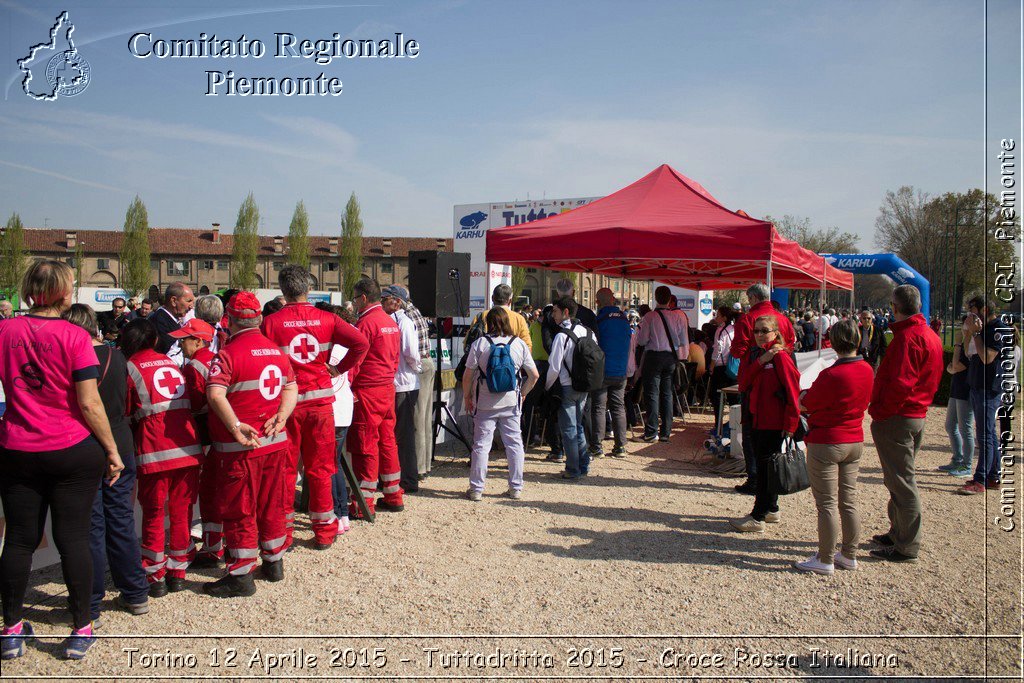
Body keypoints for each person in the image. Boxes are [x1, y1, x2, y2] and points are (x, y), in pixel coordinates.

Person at [0, 260, 123, 661]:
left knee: (19, 539)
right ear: (64, 292)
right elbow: (89, 402)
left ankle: (12, 629)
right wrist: (111, 449)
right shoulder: (75, 336)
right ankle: (81, 627)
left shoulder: (4, 330)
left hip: (17, 445)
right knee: (74, 539)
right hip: (70, 447)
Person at [260, 265, 368, 549]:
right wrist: (336, 368)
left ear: (282, 290)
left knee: (285, 471)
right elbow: (361, 343)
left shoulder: (271, 322)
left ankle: (282, 534)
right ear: (308, 288)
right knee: (321, 468)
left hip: (286, 405)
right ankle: (324, 531)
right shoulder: (326, 318)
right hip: (320, 403)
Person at [204, 292, 297, 597]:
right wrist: (282, 416)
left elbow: (215, 394)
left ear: (228, 320)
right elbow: (292, 386)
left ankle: (241, 574)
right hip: (274, 442)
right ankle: (274, 561)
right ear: (258, 318)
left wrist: (233, 426)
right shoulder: (276, 351)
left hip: (240, 449)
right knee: (273, 504)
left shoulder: (227, 354)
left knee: (240, 509)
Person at [61, 305, 149, 623]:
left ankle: (91, 603)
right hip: (121, 441)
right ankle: (136, 593)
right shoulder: (119, 358)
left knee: (91, 528)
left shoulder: (69, 360)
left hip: (86, 446)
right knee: (121, 521)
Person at [122, 319, 203, 596]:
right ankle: (178, 572)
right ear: (154, 340)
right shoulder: (171, 364)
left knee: (154, 513)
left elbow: (127, 409)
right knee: (183, 513)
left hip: (154, 449)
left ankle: (154, 575)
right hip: (186, 447)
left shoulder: (130, 367)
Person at [867, 284, 943, 562]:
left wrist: (879, 411)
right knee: (897, 478)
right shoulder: (928, 335)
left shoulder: (908, 338)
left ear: (895, 307)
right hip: (915, 414)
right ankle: (898, 531)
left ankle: (907, 545)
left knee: (902, 481)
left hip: (899, 417)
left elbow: (899, 383)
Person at [793, 319, 875, 575]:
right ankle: (849, 553)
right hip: (854, 439)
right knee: (848, 501)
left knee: (826, 504)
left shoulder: (831, 374)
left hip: (827, 440)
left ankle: (825, 557)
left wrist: (805, 396)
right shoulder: (867, 369)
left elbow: (809, 402)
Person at [729, 314, 800, 533]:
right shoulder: (758, 355)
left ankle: (758, 515)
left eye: (764, 330)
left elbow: (792, 390)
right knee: (767, 466)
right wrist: (762, 360)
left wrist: (791, 422)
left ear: (776, 332)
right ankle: (770, 508)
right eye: (756, 331)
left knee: (765, 467)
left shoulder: (781, 357)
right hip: (758, 418)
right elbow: (744, 382)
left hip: (772, 421)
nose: (760, 335)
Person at [463, 306, 539, 500]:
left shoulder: (480, 343)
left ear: (489, 323)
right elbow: (534, 375)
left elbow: (468, 375)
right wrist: (523, 394)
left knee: (481, 445)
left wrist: (467, 396)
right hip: (511, 401)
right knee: (514, 444)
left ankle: (477, 489)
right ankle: (515, 488)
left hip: (485, 401)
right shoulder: (518, 344)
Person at [729, 283, 796, 495]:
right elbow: (792, 342)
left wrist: (756, 356)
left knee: (751, 431)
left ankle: (756, 479)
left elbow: (738, 350)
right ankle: (768, 485)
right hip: (777, 379)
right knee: (770, 436)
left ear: (754, 298)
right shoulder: (783, 318)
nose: (760, 334)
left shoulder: (747, 319)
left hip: (756, 378)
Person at [347, 277, 404, 517]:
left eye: (354, 297)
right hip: (386, 388)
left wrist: (346, 385)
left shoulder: (366, 323)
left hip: (368, 390)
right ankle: (393, 493)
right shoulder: (390, 321)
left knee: (365, 444)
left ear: (362, 298)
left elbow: (355, 361)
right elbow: (395, 357)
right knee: (387, 440)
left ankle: (363, 502)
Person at [174, 319, 222, 565]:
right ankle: (217, 541)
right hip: (221, 431)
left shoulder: (194, 365)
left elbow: (194, 402)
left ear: (199, 340)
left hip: (205, 433)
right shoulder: (218, 357)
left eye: (185, 338)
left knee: (208, 490)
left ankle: (213, 546)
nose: (181, 343)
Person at [958, 296, 1010, 495]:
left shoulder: (998, 328)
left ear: (985, 309)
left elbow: (987, 357)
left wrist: (977, 333)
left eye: (973, 310)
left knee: (985, 435)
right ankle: (993, 475)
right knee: (989, 434)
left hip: (989, 389)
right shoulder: (984, 329)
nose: (971, 315)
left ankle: (980, 479)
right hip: (977, 386)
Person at [545, 296, 593, 480]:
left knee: (569, 430)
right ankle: (583, 464)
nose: (553, 315)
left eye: (555, 311)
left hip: (566, 387)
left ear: (565, 312)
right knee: (578, 426)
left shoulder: (561, 336)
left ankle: (573, 469)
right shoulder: (589, 333)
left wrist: (548, 387)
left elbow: (554, 368)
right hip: (584, 387)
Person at [635, 285, 689, 443]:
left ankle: (651, 431)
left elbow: (642, 340)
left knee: (652, 393)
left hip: (654, 356)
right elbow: (683, 341)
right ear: (670, 298)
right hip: (671, 357)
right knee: (667, 394)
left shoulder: (650, 317)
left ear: (656, 298)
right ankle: (666, 431)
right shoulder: (678, 317)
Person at [382, 285, 423, 494]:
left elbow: (411, 353)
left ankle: (408, 479)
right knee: (392, 434)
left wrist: (416, 369)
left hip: (404, 384)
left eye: (386, 298)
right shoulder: (389, 320)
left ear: (397, 301)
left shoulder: (404, 321)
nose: (382, 301)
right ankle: (393, 477)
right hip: (397, 383)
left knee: (404, 434)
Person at [590, 288, 631, 458]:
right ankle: (621, 446)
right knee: (618, 407)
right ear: (613, 300)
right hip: (620, 370)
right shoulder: (624, 319)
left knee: (599, 407)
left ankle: (597, 447)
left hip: (602, 371)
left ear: (597, 302)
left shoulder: (598, 320)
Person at [403, 290, 435, 483]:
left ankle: (418, 467)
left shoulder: (406, 315)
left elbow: (409, 351)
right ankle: (425, 465)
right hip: (428, 363)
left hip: (420, 366)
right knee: (424, 418)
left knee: (417, 419)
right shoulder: (416, 311)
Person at [937, 316, 975, 479]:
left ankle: (966, 464)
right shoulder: (966, 343)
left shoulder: (971, 345)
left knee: (965, 428)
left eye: (966, 323)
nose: (963, 325)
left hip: (965, 389)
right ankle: (957, 458)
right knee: (950, 425)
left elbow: (957, 365)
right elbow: (950, 367)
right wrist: (952, 367)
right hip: (956, 388)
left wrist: (958, 343)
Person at [467, 284, 532, 351]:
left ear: (492, 298)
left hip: (485, 359)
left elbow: (468, 343)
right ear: (510, 301)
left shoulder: (481, 316)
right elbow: (527, 346)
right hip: (512, 360)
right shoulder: (519, 319)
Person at [150, 282, 196, 366]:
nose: (191, 306)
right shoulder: (159, 322)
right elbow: (169, 354)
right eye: (189, 301)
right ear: (174, 301)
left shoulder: (175, 319)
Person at [709, 306, 737, 414]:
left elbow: (717, 350)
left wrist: (711, 365)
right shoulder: (733, 329)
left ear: (724, 318)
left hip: (720, 366)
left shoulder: (720, 331)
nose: (716, 318)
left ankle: (718, 424)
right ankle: (733, 425)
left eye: (718, 315)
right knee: (733, 399)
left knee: (717, 397)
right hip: (733, 366)